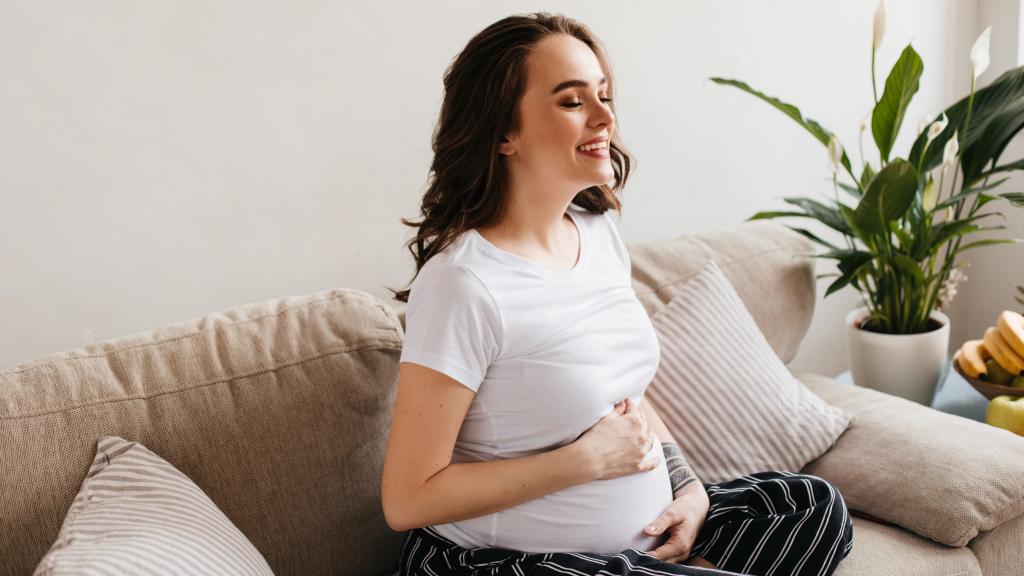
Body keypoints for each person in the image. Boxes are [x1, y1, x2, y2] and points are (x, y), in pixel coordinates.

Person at [381, 12, 853, 576]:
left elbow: (624, 396)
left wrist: (688, 489)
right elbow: (408, 498)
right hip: (502, 562)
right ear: (503, 133)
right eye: (572, 101)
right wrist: (580, 462)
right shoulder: (463, 283)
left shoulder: (596, 232)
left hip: (633, 547)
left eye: (603, 95)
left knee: (812, 506)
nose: (605, 117)